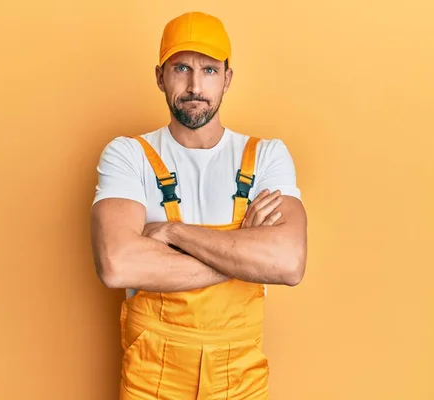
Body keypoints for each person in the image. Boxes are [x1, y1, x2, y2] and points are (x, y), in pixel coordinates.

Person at [90, 11, 307, 400]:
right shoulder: (127, 155)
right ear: (160, 76)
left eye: (209, 70)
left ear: (227, 78)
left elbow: (288, 264)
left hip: (240, 380)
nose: (194, 85)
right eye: (182, 68)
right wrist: (243, 251)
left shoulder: (267, 157)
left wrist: (172, 233)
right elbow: (117, 265)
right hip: (150, 379)